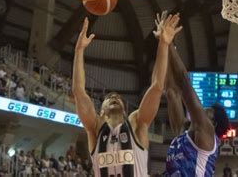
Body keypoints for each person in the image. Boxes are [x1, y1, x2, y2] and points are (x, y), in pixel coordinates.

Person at [72, 15, 182, 177]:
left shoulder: (137, 123)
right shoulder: (95, 129)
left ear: (125, 110)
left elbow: (157, 86)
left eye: (117, 97)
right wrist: (79, 50)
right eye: (109, 97)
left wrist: (164, 44)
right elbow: (78, 91)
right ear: (101, 111)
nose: (114, 97)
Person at [157, 11, 229, 176]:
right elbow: (171, 92)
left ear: (213, 124)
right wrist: (163, 45)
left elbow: (183, 81)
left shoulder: (205, 132)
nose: (202, 110)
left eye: (208, 112)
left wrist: (169, 44)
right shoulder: (181, 134)